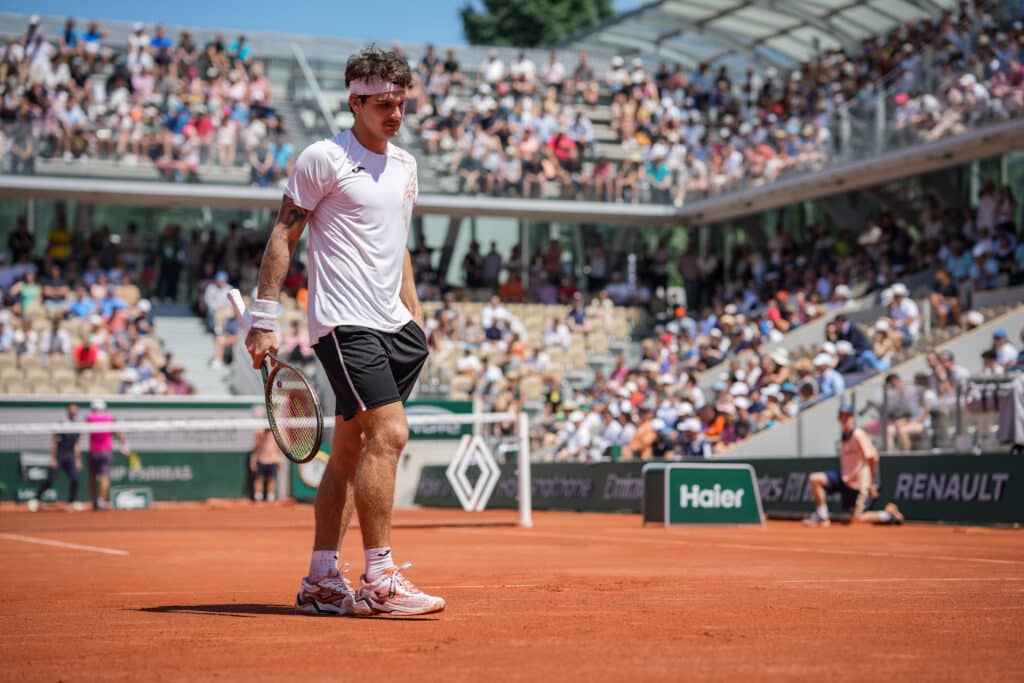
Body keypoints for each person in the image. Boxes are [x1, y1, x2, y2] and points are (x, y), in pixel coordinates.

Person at [245, 47, 443, 617]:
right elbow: (284, 234)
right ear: (355, 101)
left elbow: (397, 243)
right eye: (383, 103)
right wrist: (264, 320)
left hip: (396, 325)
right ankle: (379, 580)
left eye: (401, 103)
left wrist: (418, 319)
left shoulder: (405, 165)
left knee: (352, 451)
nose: (395, 114)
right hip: (344, 324)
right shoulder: (323, 158)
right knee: (392, 434)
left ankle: (321, 580)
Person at [803, 405, 904, 527]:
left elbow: (873, 458)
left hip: (861, 483)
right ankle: (822, 517)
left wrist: (872, 482)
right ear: (839, 419)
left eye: (848, 416)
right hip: (845, 479)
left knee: (856, 518)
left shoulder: (858, 435)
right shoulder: (843, 436)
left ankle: (889, 515)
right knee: (815, 479)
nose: (845, 419)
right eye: (842, 416)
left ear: (853, 418)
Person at [28, 404, 83, 512]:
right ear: (68, 411)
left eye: (76, 409)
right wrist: (53, 458)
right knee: (50, 479)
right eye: (72, 409)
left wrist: (78, 459)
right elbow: (54, 442)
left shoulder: (77, 426)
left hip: (70, 456)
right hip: (60, 455)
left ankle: (73, 501)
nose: (74, 411)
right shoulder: (61, 424)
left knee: (75, 478)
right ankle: (36, 499)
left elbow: (76, 444)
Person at [85, 399, 127, 511]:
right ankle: (101, 501)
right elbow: (119, 434)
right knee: (105, 477)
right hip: (105, 452)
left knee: (93, 476)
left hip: (94, 452)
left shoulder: (89, 418)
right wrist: (125, 446)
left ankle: (94, 500)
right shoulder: (109, 418)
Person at [250, 426, 282, 502]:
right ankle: (258, 497)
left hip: (273, 460)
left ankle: (271, 497)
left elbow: (278, 449)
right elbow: (256, 448)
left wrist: (279, 460)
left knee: (272, 479)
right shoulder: (259, 433)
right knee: (259, 479)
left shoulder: (277, 434)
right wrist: (253, 460)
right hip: (261, 460)